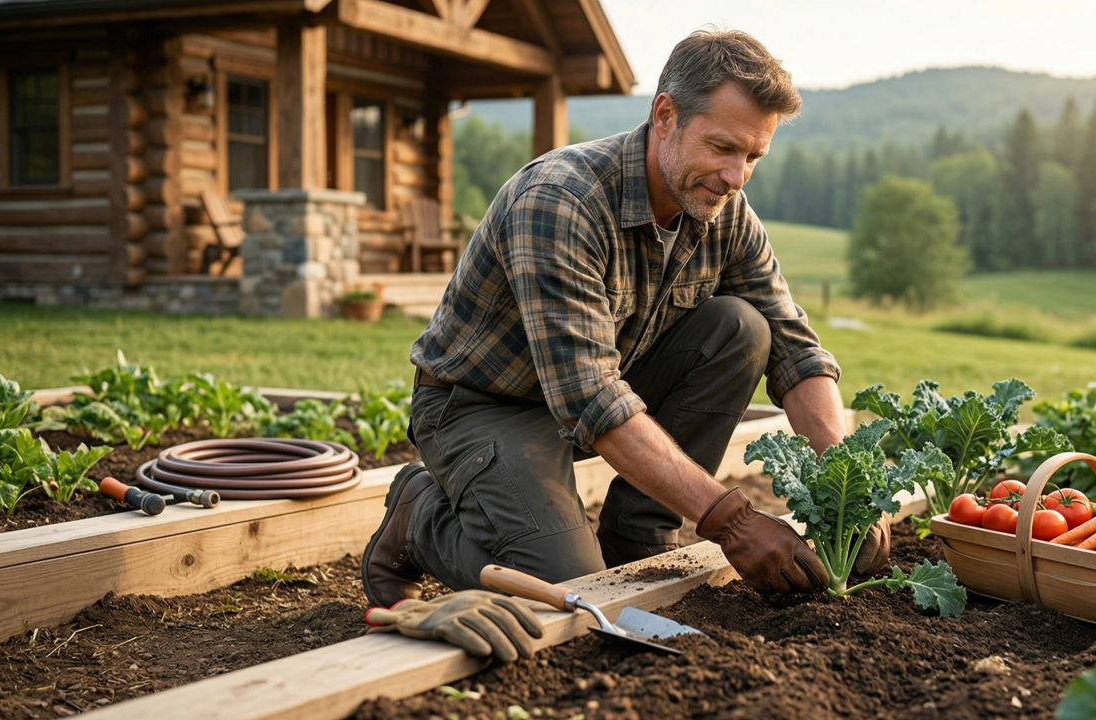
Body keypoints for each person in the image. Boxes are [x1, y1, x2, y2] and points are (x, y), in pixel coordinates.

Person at [362, 29, 890, 652]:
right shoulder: (560, 201)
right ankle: (418, 515)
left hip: (597, 395)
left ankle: (639, 532)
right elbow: (593, 398)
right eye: (722, 147)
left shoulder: (724, 212)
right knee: (568, 589)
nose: (735, 177)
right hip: (483, 405)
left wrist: (846, 477)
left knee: (741, 328)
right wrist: (733, 522)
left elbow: (794, 348)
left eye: (753, 157)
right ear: (664, 115)